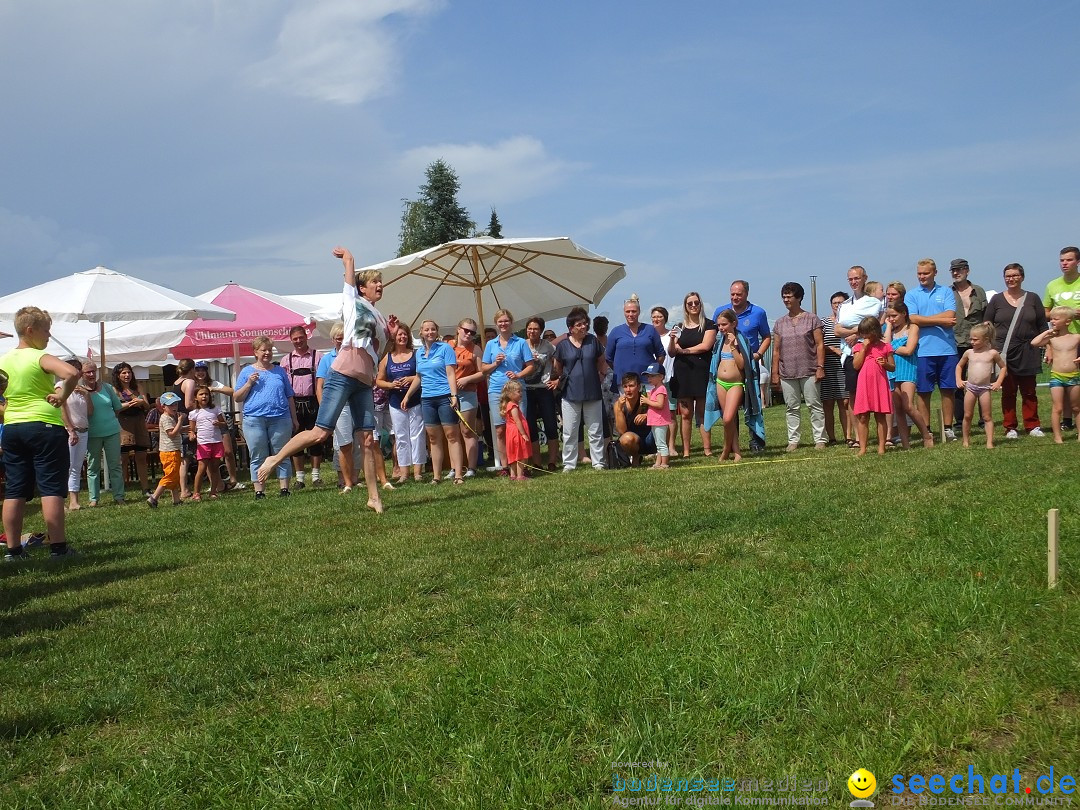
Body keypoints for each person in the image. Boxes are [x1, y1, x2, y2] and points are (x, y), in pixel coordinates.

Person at [257, 247, 397, 514]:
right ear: (362, 288)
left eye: (381, 281)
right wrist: (348, 258)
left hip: (364, 382)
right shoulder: (352, 302)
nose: (380, 284)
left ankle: (373, 497)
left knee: (368, 439)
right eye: (374, 281)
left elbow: (381, 353)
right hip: (342, 374)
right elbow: (349, 276)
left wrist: (389, 333)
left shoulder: (379, 316)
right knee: (322, 432)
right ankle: (274, 459)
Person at [0, 307, 80, 561]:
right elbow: (71, 373)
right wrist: (61, 395)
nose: (49, 335)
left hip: (12, 428)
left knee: (14, 489)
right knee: (50, 488)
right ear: (30, 330)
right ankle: (58, 548)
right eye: (46, 330)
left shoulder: (4, 360)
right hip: (44, 426)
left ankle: (13, 551)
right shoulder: (39, 356)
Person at [983, 263, 1047, 439]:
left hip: (1028, 350)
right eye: (1007, 276)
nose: (1010, 279)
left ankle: (1032, 425)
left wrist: (1048, 346)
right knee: (1008, 391)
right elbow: (987, 324)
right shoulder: (996, 300)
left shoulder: (1033, 298)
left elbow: (1042, 326)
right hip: (1004, 351)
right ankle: (1010, 426)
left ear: (1022, 277)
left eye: (1014, 275)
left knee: (1029, 390)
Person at [236, 336, 298, 499]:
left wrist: (294, 418)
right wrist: (249, 383)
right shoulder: (247, 372)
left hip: (280, 418)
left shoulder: (279, 371)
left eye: (270, 350)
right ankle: (259, 491)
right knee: (257, 454)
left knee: (282, 453)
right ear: (255, 352)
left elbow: (289, 395)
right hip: (254, 419)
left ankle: (284, 489)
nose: (267, 353)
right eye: (264, 350)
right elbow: (237, 397)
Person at [714, 281, 770, 451]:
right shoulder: (721, 312)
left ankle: (756, 441)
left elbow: (767, 336)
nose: (735, 297)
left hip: (750, 367)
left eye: (739, 294)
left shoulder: (758, 312)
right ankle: (732, 444)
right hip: (728, 368)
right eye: (732, 294)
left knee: (753, 404)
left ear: (746, 294)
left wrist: (758, 354)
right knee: (729, 412)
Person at [905, 259, 958, 440]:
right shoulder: (911, 295)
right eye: (919, 273)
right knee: (924, 392)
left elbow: (951, 315)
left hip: (947, 349)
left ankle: (948, 428)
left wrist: (924, 319)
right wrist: (941, 321)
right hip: (922, 350)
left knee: (948, 389)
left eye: (925, 273)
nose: (922, 277)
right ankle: (925, 429)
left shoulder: (946, 292)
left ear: (935, 272)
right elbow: (912, 319)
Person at [407, 319, 465, 484]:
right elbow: (419, 377)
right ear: (421, 332)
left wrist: (454, 396)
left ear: (437, 331)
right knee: (433, 438)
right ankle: (436, 476)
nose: (430, 332)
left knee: (452, 435)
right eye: (427, 330)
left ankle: (459, 474)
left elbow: (451, 374)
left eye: (433, 329)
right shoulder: (419, 353)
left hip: (445, 395)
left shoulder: (445, 348)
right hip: (427, 398)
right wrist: (408, 396)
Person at [770, 282, 826, 451]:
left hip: (809, 370)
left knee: (814, 405)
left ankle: (820, 439)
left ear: (799, 298)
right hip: (787, 372)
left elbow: (820, 345)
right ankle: (793, 440)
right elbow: (776, 350)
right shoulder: (780, 323)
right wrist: (775, 373)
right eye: (784, 296)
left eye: (789, 296)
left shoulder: (812, 319)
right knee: (791, 407)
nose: (786, 299)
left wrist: (820, 367)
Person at [553, 307, 608, 471]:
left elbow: (602, 360)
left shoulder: (593, 341)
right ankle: (569, 463)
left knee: (595, 428)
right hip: (570, 393)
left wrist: (602, 374)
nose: (583, 327)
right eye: (579, 324)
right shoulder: (563, 345)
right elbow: (557, 367)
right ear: (571, 328)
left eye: (585, 324)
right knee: (570, 431)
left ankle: (598, 462)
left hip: (593, 391)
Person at [481, 308, 535, 474]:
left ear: (511, 323)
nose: (503, 324)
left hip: (517, 391)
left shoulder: (520, 343)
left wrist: (518, 374)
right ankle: (506, 465)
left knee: (520, 428)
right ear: (496, 324)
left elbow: (531, 366)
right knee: (500, 430)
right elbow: (483, 368)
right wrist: (495, 363)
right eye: (500, 322)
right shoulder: (491, 344)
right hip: (497, 390)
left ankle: (522, 465)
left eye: (506, 321)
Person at [669, 291, 717, 457]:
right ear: (685, 307)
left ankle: (707, 449)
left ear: (701, 304)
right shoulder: (679, 327)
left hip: (702, 372)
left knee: (703, 412)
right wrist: (671, 341)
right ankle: (687, 451)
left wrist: (684, 350)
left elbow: (705, 346)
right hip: (683, 374)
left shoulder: (709, 325)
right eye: (690, 304)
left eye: (696, 303)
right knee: (686, 414)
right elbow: (672, 351)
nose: (694, 306)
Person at [835, 266, 884, 427]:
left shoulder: (873, 302)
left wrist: (856, 333)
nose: (854, 282)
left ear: (864, 278)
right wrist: (860, 328)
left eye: (857, 278)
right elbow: (837, 330)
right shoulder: (845, 305)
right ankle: (858, 435)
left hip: (870, 352)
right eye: (850, 279)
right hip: (849, 354)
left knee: (873, 393)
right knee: (853, 394)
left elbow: (875, 323)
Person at [377, 322, 426, 485]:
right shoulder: (387, 358)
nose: (402, 337)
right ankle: (404, 472)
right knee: (401, 436)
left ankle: (418, 472)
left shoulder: (415, 354)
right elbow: (379, 380)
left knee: (417, 435)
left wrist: (411, 379)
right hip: (395, 402)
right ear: (394, 337)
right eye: (399, 334)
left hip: (415, 400)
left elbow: (423, 374)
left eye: (405, 334)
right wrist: (391, 385)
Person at [884, 302, 933, 449]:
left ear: (904, 314)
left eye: (894, 316)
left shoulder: (912, 328)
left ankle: (926, 434)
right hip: (893, 371)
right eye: (889, 316)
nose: (892, 319)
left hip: (907, 369)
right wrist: (888, 327)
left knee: (908, 406)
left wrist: (892, 347)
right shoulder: (890, 331)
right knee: (898, 409)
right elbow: (886, 348)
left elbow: (909, 350)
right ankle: (905, 444)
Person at [281, 325, 323, 489]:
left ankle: (315, 476)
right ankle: (299, 479)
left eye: (301, 338)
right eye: (295, 339)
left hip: (314, 401)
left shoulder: (317, 356)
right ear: (291, 340)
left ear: (306, 337)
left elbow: (322, 381)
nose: (298, 341)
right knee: (296, 440)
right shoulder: (286, 360)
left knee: (316, 438)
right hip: (295, 403)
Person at [191, 361, 244, 491]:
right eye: (197, 370)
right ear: (194, 372)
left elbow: (232, 391)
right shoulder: (191, 385)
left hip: (219, 418)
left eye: (203, 370)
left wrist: (214, 389)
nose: (200, 372)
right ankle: (214, 484)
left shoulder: (213, 383)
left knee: (228, 451)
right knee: (207, 457)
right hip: (203, 423)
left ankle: (233, 480)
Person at [949, 259, 988, 431]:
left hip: (977, 343)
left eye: (959, 270)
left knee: (980, 380)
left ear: (967, 271)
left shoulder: (979, 291)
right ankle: (959, 421)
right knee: (957, 382)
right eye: (953, 270)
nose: (956, 273)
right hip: (954, 342)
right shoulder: (947, 292)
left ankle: (983, 419)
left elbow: (986, 318)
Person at [1031, 307, 1080, 443]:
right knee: (1057, 407)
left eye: (1056, 319)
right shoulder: (1052, 339)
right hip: (1056, 376)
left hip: (1074, 376)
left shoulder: (1076, 337)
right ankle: (1057, 436)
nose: (1052, 321)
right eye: (1051, 319)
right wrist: (1047, 332)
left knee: (1076, 407)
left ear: (1068, 321)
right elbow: (1034, 343)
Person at [954, 323, 1006, 449]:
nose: (972, 341)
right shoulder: (969, 353)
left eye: (975, 339)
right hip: (970, 388)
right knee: (967, 415)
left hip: (984, 389)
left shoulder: (992, 353)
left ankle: (989, 442)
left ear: (986, 339)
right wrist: (959, 380)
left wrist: (998, 382)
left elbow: (1003, 367)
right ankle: (966, 440)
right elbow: (959, 366)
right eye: (971, 338)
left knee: (987, 416)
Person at [1045, 246, 1080, 430]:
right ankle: (1066, 421)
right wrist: (1050, 345)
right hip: (1060, 340)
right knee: (1065, 378)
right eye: (1062, 260)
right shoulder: (1052, 285)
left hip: (1078, 338)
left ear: (1077, 261)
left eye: (1069, 260)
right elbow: (1047, 313)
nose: (1064, 263)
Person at [82, 359, 125, 506]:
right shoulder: (79, 390)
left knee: (115, 465)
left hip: (112, 431)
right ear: (82, 374)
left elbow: (118, 407)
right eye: (88, 372)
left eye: (94, 371)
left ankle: (119, 496)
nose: (92, 374)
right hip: (92, 434)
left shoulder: (107, 388)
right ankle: (93, 498)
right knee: (93, 466)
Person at [606, 294, 665, 399]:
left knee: (647, 412)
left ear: (639, 312)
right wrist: (620, 368)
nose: (630, 314)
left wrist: (653, 372)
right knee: (627, 412)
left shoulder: (650, 330)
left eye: (633, 311)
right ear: (624, 312)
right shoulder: (616, 331)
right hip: (625, 382)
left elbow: (660, 354)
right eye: (627, 311)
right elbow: (608, 357)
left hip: (647, 381)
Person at [706, 309, 746, 462]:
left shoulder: (740, 340)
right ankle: (736, 452)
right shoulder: (719, 342)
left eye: (724, 324)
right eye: (719, 325)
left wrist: (734, 346)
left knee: (729, 418)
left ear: (733, 323)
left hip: (735, 383)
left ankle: (725, 448)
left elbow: (742, 365)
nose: (721, 328)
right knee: (727, 419)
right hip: (721, 383)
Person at [852, 316, 894, 456]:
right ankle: (863, 448)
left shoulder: (885, 346)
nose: (864, 336)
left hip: (879, 383)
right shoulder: (858, 346)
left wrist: (885, 364)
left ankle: (881, 446)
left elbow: (893, 367)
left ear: (875, 331)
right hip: (864, 385)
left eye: (866, 333)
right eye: (862, 333)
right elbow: (856, 365)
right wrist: (864, 348)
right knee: (862, 417)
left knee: (880, 416)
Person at [522, 316, 560, 472]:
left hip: (544, 389)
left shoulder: (549, 347)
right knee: (531, 427)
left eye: (536, 329)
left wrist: (556, 379)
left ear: (541, 330)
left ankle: (552, 461)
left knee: (551, 425)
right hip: (527, 390)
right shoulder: (521, 345)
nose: (532, 331)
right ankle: (536, 462)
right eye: (530, 328)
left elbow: (557, 365)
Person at [450, 318, 484, 477]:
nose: (468, 334)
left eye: (472, 332)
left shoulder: (475, 349)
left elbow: (482, 372)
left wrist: (467, 379)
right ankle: (454, 468)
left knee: (467, 430)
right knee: (451, 432)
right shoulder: (448, 346)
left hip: (468, 393)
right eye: (466, 330)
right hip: (449, 393)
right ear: (458, 329)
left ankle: (471, 468)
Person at [113, 361, 152, 495]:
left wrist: (141, 402)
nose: (127, 375)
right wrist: (129, 404)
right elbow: (115, 409)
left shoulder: (138, 387)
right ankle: (120, 491)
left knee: (141, 456)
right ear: (118, 375)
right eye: (123, 372)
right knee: (123, 459)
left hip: (139, 423)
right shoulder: (115, 390)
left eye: (129, 372)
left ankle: (145, 488)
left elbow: (147, 406)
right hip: (123, 425)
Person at [58, 356, 92, 510]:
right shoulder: (60, 386)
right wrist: (71, 429)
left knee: (77, 466)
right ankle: (61, 501)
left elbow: (90, 412)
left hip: (83, 430)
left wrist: (86, 395)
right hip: (69, 431)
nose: (77, 372)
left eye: (78, 369)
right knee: (66, 466)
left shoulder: (81, 390)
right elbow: (62, 408)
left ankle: (74, 501)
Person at [146, 391, 185, 508]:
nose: (174, 407)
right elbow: (172, 433)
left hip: (173, 450)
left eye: (176, 404)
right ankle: (154, 497)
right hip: (169, 451)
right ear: (163, 407)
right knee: (170, 476)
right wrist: (180, 421)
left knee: (174, 476)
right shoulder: (166, 419)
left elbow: (176, 430)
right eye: (171, 405)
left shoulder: (170, 417)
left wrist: (184, 427)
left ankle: (176, 500)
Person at [188, 385, 227, 500]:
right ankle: (196, 493)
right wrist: (192, 435)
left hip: (216, 442)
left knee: (215, 468)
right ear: (196, 397)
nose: (204, 396)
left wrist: (218, 424)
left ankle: (213, 491)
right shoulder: (194, 412)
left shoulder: (216, 409)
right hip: (203, 443)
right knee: (202, 468)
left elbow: (224, 423)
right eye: (201, 394)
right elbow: (191, 429)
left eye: (206, 394)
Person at [820, 292, 849, 445]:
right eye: (835, 303)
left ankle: (848, 436)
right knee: (828, 403)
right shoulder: (824, 321)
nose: (837, 305)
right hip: (829, 365)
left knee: (845, 402)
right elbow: (818, 343)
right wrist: (833, 349)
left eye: (841, 303)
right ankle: (831, 437)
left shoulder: (850, 321)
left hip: (846, 365)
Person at [170, 358, 198, 498]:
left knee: (183, 457)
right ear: (192, 369)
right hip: (187, 420)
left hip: (177, 419)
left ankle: (183, 488)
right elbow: (188, 404)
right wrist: (202, 405)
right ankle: (184, 489)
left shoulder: (176, 382)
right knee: (187, 456)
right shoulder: (189, 382)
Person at [613, 372, 654, 465]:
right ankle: (635, 457)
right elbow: (622, 431)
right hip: (634, 439)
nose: (628, 390)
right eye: (625, 386)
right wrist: (619, 410)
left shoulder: (647, 397)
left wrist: (647, 415)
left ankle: (662, 455)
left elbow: (662, 415)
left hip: (651, 436)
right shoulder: (618, 404)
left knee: (666, 425)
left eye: (631, 386)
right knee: (626, 439)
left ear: (639, 387)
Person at [641, 362, 672, 469]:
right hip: (655, 421)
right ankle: (658, 463)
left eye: (652, 376)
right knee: (658, 444)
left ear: (661, 377)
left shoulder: (661, 389)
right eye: (648, 376)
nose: (649, 378)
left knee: (662, 444)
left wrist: (647, 401)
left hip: (660, 421)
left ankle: (664, 463)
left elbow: (660, 405)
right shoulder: (654, 389)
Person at [499, 380, 531, 481]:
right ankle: (520, 475)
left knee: (513, 454)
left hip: (511, 433)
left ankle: (513, 475)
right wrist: (523, 434)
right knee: (520, 454)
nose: (521, 393)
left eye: (521, 391)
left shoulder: (509, 405)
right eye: (518, 391)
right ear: (510, 394)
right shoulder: (513, 406)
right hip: (517, 433)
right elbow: (517, 421)